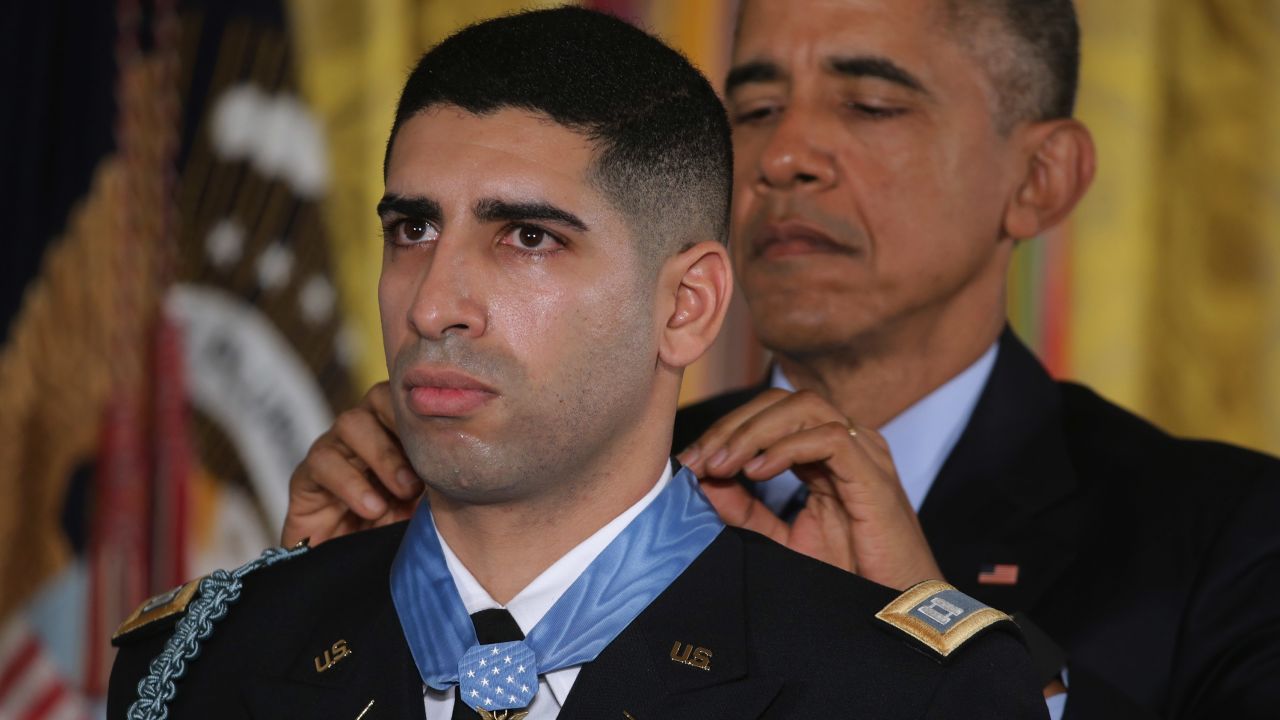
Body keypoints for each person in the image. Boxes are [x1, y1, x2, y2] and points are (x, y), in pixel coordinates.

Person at [280, 1, 1280, 718]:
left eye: (868, 105)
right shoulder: (569, 481)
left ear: (1039, 178)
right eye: (753, 109)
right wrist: (364, 601)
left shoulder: (1226, 534)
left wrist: (961, 648)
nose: (783, 155)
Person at [108, 8, 1048, 720]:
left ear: (685, 308)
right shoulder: (194, 663)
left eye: (526, 237)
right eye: (413, 228)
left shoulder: (902, 692)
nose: (433, 305)